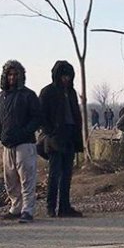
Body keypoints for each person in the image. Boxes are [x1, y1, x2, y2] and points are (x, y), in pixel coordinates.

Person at [0, 60, 42, 224]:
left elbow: (37, 118)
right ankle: (16, 207)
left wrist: (24, 132)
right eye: (9, 75)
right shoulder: (1, 97)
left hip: (25, 143)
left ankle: (27, 210)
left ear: (20, 76)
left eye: (15, 74)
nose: (12, 78)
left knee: (27, 178)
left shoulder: (29, 95)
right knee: (10, 179)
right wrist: (0, 134)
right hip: (7, 143)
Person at [39, 60, 84, 218]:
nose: (66, 79)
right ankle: (50, 207)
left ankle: (64, 206)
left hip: (70, 136)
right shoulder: (47, 92)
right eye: (63, 76)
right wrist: (50, 132)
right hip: (54, 138)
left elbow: (76, 114)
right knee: (54, 173)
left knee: (67, 174)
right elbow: (41, 115)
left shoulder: (71, 92)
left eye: (68, 76)